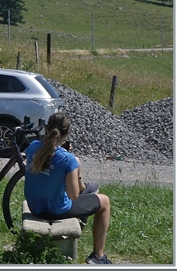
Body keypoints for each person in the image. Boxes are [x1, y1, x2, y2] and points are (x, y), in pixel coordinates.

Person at [23, 113, 113, 264]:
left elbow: (46, 168)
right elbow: (74, 195)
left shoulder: (32, 147)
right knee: (104, 202)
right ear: (67, 134)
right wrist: (75, 165)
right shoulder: (68, 159)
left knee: (88, 194)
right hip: (55, 210)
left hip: (35, 206)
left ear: (46, 129)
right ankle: (98, 256)